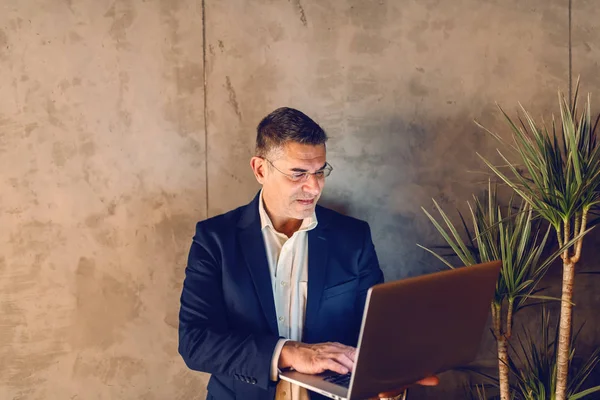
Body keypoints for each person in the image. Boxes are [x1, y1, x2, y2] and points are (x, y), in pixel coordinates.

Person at [178, 107, 438, 400]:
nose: (313, 187)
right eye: (298, 173)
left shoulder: (353, 237)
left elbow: (374, 332)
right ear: (260, 169)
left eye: (320, 171)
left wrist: (386, 382)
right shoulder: (215, 239)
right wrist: (288, 352)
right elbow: (195, 342)